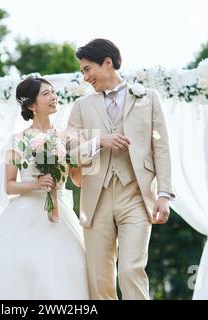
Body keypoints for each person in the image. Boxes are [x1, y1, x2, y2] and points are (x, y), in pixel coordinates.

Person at [0, 77, 89, 299]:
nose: (53, 97)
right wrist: (36, 184)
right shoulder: (17, 140)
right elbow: (9, 185)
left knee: (72, 265)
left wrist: (86, 158)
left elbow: (78, 177)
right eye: (46, 94)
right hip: (26, 211)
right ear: (31, 105)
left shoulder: (67, 137)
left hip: (62, 211)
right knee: (20, 269)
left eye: (53, 92)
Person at [67, 39, 175, 300]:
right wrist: (98, 141)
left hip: (136, 196)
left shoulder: (148, 98)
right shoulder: (81, 107)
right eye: (82, 71)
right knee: (99, 278)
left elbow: (161, 148)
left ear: (107, 62)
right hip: (95, 199)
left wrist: (164, 194)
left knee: (130, 270)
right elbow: (69, 154)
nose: (85, 77)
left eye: (87, 69)